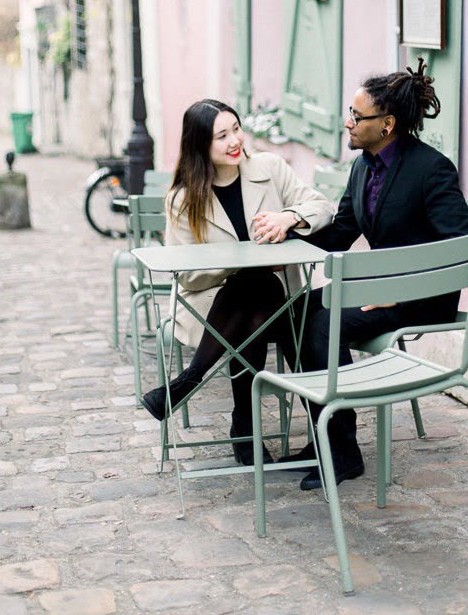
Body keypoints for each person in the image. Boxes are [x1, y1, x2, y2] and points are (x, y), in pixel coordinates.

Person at [285, 59, 468, 490]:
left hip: (423, 299)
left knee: (323, 321)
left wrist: (400, 295)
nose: (347, 123)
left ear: (386, 124)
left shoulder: (431, 169)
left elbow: (460, 248)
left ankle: (343, 452)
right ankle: (325, 436)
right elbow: (341, 234)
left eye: (356, 116)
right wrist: (288, 230)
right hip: (381, 292)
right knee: (297, 313)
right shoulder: (362, 167)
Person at [141, 98, 334, 465]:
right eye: (221, 136)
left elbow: (322, 207)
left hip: (280, 300)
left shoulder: (270, 168)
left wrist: (288, 219)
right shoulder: (182, 199)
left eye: (235, 129)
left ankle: (201, 388)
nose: (234, 142)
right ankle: (267, 426)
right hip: (211, 306)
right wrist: (240, 264)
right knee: (253, 285)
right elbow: (187, 274)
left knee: (260, 290)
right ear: (200, 144)